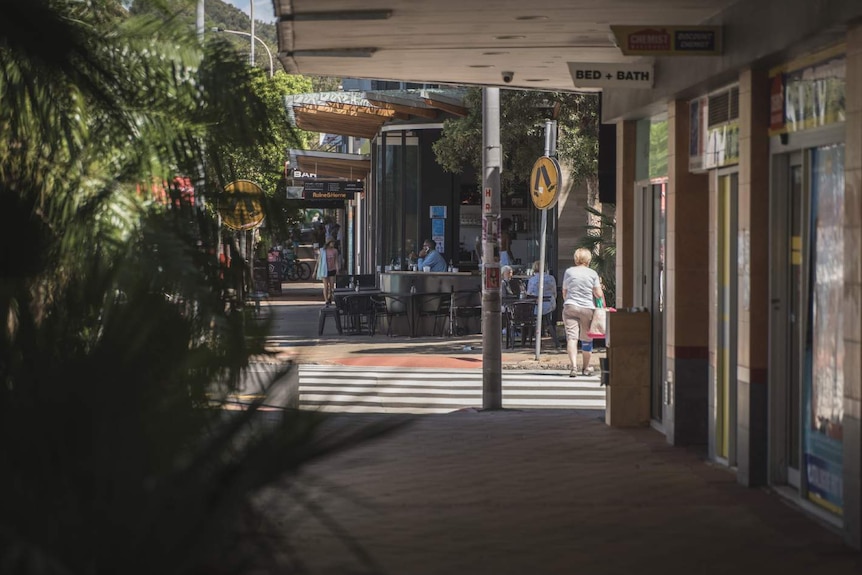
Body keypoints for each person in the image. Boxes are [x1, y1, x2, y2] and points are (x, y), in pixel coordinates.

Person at [561, 248, 604, 377]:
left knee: (572, 338)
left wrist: (570, 299)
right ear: (588, 259)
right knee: (587, 339)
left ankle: (573, 367)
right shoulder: (592, 273)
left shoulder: (569, 272)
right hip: (587, 308)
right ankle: (585, 368)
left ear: (576, 258)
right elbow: (598, 294)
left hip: (570, 306)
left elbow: (564, 292)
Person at [526, 260, 559, 349]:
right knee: (548, 321)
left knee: (534, 319)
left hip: (536, 306)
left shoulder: (532, 280)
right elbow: (554, 293)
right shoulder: (551, 278)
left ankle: (532, 340)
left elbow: (529, 293)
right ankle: (555, 340)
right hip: (549, 305)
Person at [315, 239, 341, 305]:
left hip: (332, 270)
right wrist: (315, 271)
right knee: (326, 286)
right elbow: (318, 261)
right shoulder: (323, 251)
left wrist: (337, 269)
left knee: (332, 286)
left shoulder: (335, 251)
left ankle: (330, 297)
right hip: (324, 270)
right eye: (332, 243)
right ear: (328, 243)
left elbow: (336, 261)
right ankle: (326, 299)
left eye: (334, 243)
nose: (333, 244)